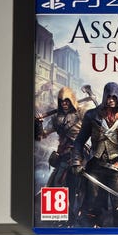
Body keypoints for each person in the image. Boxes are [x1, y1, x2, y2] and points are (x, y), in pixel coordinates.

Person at [71, 81, 118, 227]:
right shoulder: (92, 116)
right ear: (105, 97)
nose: (111, 100)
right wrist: (76, 161)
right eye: (109, 97)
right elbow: (79, 141)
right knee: (92, 207)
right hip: (95, 168)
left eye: (114, 97)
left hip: (117, 168)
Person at [35, 86, 85, 224]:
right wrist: (39, 123)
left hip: (81, 154)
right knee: (55, 182)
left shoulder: (81, 114)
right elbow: (42, 135)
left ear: (72, 100)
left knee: (78, 185)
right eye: (62, 101)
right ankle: (56, 217)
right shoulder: (57, 118)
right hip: (64, 154)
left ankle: (76, 217)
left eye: (67, 100)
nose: (64, 103)